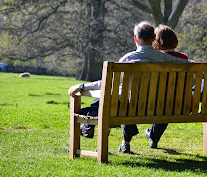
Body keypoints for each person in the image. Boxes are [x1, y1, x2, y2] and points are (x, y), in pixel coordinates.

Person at [68, 21, 191, 154]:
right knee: (109, 100)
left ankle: (92, 132)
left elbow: (108, 82)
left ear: (135, 38)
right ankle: (94, 129)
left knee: (105, 100)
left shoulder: (129, 58)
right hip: (155, 108)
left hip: (129, 109)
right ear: (153, 38)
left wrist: (82, 86)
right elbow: (190, 64)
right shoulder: (164, 58)